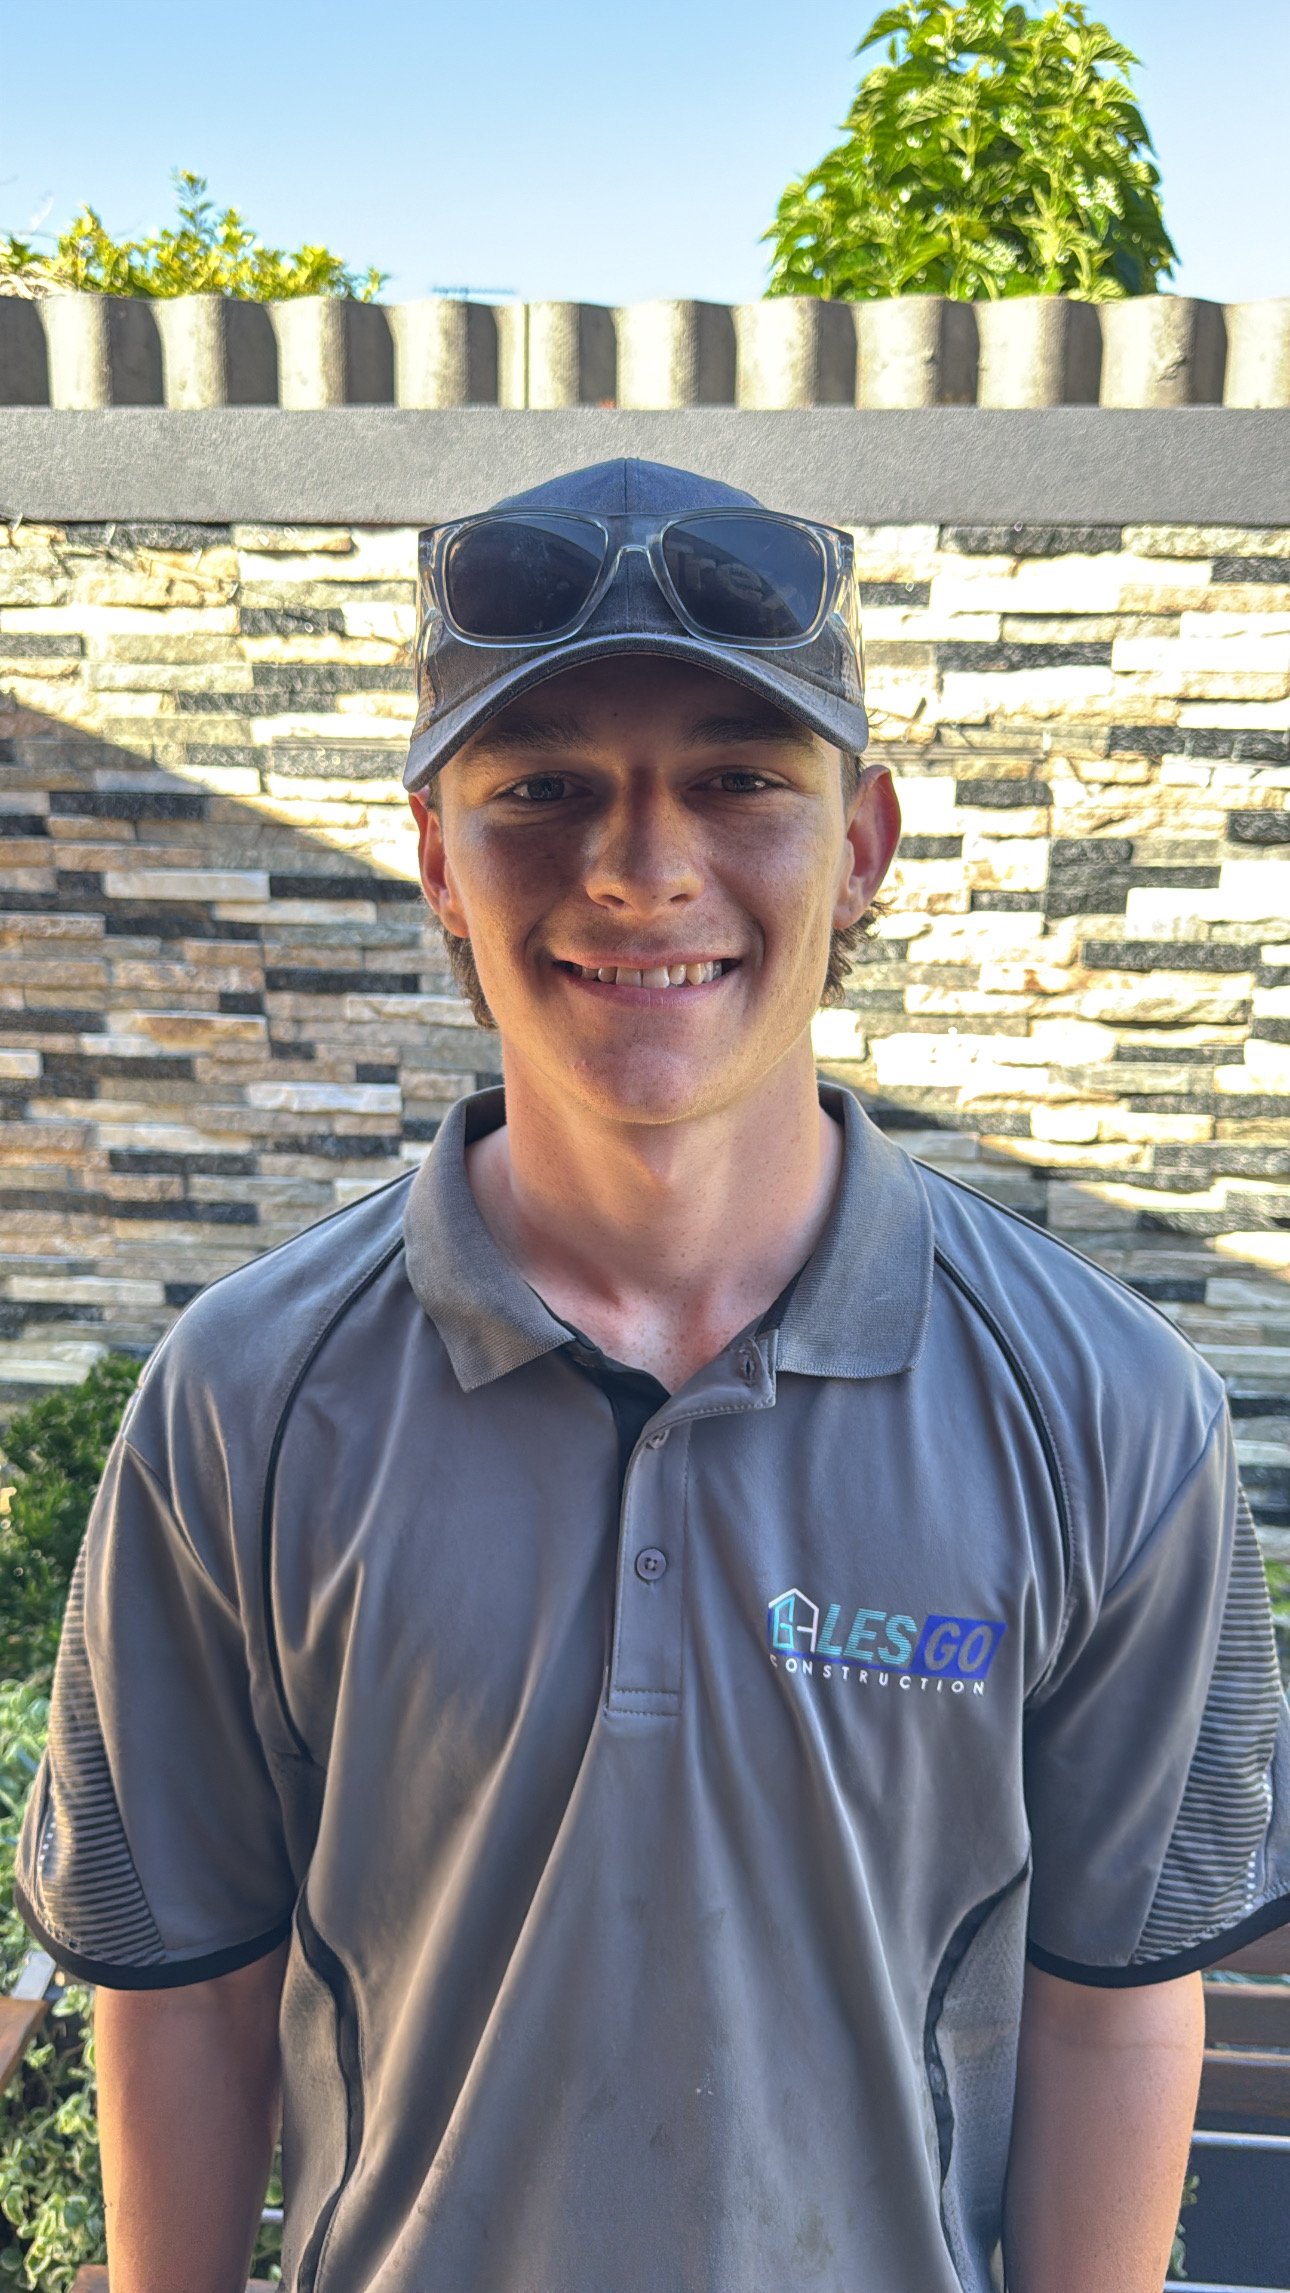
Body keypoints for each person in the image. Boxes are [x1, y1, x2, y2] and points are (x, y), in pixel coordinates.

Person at [16, 456, 1290, 2293]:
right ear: (438, 855)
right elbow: (186, 1999)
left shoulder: (1105, 1413)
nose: (638, 867)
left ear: (859, 844)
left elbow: (1112, 2002)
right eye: (541, 786)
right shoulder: (242, 1400)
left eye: (735, 778)